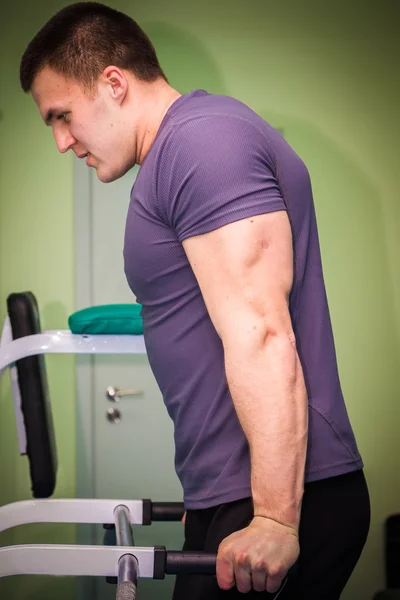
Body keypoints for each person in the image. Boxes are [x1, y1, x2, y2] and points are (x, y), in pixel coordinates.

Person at [19, 3, 370, 598]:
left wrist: (276, 518)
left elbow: (262, 331)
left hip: (286, 499)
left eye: (62, 116)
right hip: (234, 491)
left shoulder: (202, 143)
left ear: (112, 82)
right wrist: (210, 495)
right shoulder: (175, 156)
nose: (60, 141)